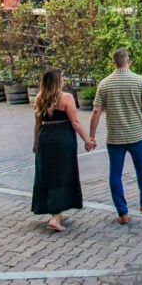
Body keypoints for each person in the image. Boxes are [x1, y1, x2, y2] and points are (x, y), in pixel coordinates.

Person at [89, 47, 142, 224]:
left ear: (113, 63)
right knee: (141, 167)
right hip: (137, 134)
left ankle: (122, 212)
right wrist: (139, 114)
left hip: (115, 136)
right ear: (129, 62)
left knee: (115, 173)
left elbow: (96, 110)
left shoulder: (104, 83)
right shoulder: (139, 80)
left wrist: (91, 135)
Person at [32, 67, 96, 232]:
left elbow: (37, 124)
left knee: (48, 174)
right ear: (57, 81)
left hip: (45, 137)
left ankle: (56, 212)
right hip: (63, 138)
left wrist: (35, 142)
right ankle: (55, 216)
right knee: (63, 174)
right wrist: (87, 140)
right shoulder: (66, 98)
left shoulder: (39, 98)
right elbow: (75, 122)